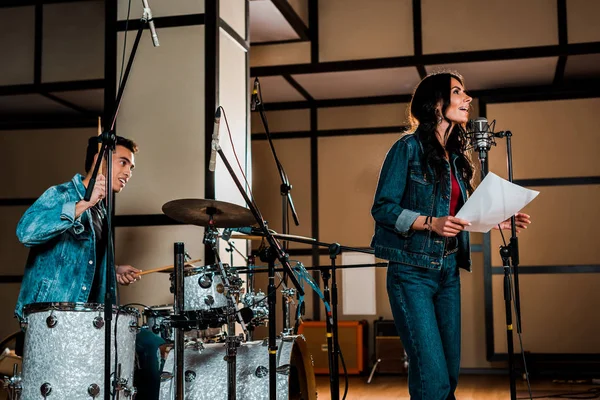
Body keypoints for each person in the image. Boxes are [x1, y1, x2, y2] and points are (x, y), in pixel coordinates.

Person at [370, 72, 531, 400]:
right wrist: (429, 222)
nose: (467, 99)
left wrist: (498, 219)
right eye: (457, 92)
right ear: (436, 104)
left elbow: (458, 217)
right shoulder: (407, 149)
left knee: (449, 374)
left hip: (447, 272)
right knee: (433, 377)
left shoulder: (456, 159)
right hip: (411, 274)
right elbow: (383, 209)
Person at [14, 136, 165, 400]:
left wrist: (114, 269)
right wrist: (84, 202)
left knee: (147, 347)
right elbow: (26, 232)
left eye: (132, 167)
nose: (128, 172)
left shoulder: (101, 211)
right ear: (99, 160)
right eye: (123, 162)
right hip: (54, 320)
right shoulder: (62, 194)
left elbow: (81, 260)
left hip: (86, 323)